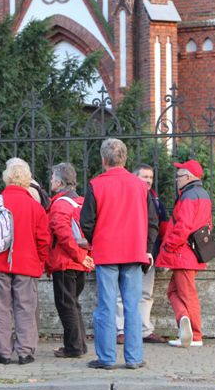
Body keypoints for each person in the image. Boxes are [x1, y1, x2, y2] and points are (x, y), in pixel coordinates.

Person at [80, 139, 158, 370]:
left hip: (107, 253)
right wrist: (145, 247)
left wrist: (98, 241)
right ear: (125, 159)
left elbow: (86, 222)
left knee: (106, 306)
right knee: (132, 306)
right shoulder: (140, 186)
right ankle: (134, 358)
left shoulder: (96, 185)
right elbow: (153, 221)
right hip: (134, 253)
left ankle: (107, 358)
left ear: (103, 160)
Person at [0, 158, 50, 365]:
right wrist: (41, 261)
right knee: (26, 307)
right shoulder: (35, 207)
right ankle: (25, 351)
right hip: (27, 264)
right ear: (27, 181)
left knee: (0, 306)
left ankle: (3, 352)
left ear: (7, 179)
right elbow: (44, 239)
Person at [156, 159, 211, 348]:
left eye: (178, 176)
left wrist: (168, 247)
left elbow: (183, 227)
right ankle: (185, 321)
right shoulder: (202, 194)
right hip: (194, 251)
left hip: (182, 253)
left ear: (188, 177)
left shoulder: (188, 196)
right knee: (174, 291)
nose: (176, 180)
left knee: (187, 294)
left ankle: (194, 335)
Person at [115, 163, 168, 345]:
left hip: (148, 253)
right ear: (133, 177)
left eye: (150, 178)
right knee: (121, 293)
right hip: (126, 251)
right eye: (144, 177)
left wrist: (160, 252)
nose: (148, 181)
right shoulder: (125, 196)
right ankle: (121, 330)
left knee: (146, 293)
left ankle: (144, 330)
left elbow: (161, 227)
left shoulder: (155, 200)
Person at [46, 163, 94, 359]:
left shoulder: (60, 204)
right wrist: (86, 257)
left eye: (52, 179)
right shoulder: (83, 202)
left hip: (66, 262)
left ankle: (73, 347)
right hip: (82, 262)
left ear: (58, 182)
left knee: (66, 305)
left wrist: (79, 257)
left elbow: (63, 235)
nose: (50, 182)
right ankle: (79, 344)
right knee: (74, 304)